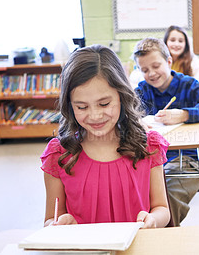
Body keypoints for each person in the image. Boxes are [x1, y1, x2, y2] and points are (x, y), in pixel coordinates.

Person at [41, 44, 170, 229]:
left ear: (122, 96)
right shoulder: (58, 155)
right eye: (82, 107)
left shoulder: (148, 146)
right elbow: (50, 218)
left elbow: (161, 208)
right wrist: (59, 224)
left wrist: (153, 220)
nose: (94, 116)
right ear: (70, 106)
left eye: (104, 104)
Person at [132, 37, 199, 226]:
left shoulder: (188, 85)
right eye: (144, 70)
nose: (151, 73)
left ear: (168, 62)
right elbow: (124, 113)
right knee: (133, 195)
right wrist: (135, 120)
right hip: (149, 161)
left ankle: (162, 239)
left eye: (155, 66)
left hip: (187, 159)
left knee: (168, 198)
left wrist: (185, 114)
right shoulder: (143, 91)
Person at [128, 26, 199, 89]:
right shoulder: (154, 58)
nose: (176, 44)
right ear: (166, 42)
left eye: (180, 41)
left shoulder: (192, 60)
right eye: (172, 40)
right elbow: (136, 76)